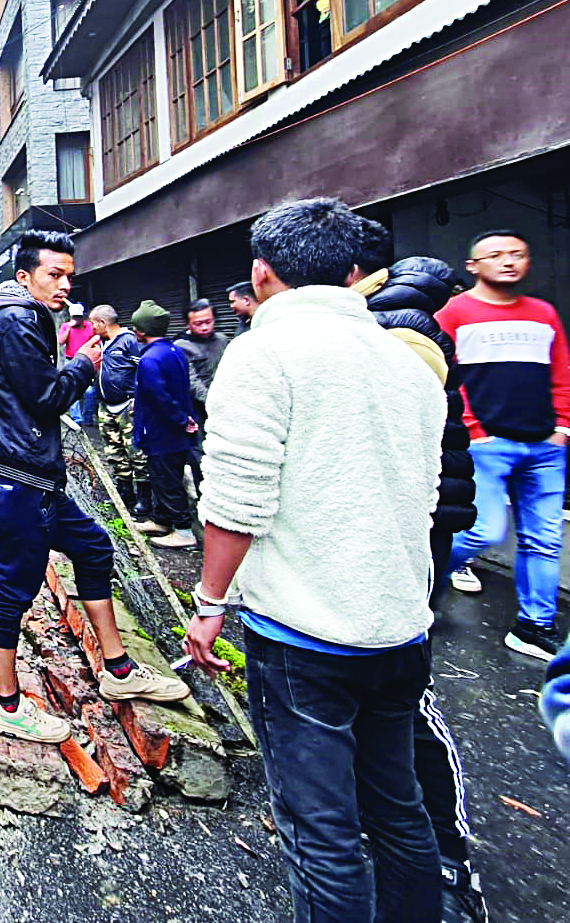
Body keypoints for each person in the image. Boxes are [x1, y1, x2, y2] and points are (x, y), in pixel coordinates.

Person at [185, 197, 447, 923]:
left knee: (321, 831)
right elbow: (420, 499)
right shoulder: (408, 364)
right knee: (398, 811)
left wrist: (209, 605)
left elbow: (236, 504)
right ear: (352, 272)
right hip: (398, 629)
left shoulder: (263, 354)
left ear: (261, 273)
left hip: (305, 638)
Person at [0, 232, 189, 745]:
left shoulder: (20, 315)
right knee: (13, 584)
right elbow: (45, 399)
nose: (65, 285)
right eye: (54, 275)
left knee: (93, 546)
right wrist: (87, 364)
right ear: (25, 277)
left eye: (69, 275)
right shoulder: (18, 320)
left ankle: (118, 669)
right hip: (17, 476)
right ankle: (6, 705)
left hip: (31, 472)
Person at [350, 222, 488, 922]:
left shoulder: (395, 329)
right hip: (411, 521)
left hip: (409, 524)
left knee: (405, 688)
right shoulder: (401, 320)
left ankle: (443, 851)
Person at [437, 230, 570, 660]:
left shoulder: (542, 312)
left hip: (544, 445)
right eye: (496, 255)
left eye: (518, 254)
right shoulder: (454, 312)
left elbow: (561, 373)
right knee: (483, 531)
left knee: (544, 540)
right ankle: (417, 583)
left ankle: (534, 626)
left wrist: (563, 428)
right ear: (473, 266)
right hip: (486, 445)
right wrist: (474, 431)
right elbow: (444, 374)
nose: (508, 261)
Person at [130, 300, 200, 550]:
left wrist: (181, 419)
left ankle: (183, 531)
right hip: (175, 431)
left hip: (161, 432)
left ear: (141, 330)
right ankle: (161, 520)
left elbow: (160, 398)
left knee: (168, 481)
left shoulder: (149, 360)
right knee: (162, 477)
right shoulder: (174, 351)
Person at [91, 305, 148, 519]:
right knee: (114, 452)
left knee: (136, 452)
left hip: (128, 406)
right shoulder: (102, 343)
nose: (92, 327)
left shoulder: (128, 341)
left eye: (93, 323)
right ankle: (125, 493)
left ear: (102, 323)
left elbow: (142, 370)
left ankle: (144, 497)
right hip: (106, 406)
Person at [174, 298, 229, 489]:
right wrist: (215, 403)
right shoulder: (182, 346)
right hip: (197, 410)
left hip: (225, 407)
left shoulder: (222, 340)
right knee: (200, 455)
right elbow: (192, 382)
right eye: (198, 323)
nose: (205, 327)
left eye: (209, 321)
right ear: (188, 323)